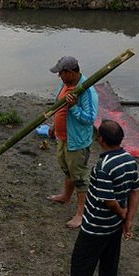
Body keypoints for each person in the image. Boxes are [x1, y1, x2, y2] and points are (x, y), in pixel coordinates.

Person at [46, 119, 139, 276]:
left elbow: (109, 201)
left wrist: (123, 214)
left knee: (81, 261)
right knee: (109, 258)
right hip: (114, 225)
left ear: (101, 140)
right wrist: (128, 220)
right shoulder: (129, 160)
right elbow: (134, 191)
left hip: (96, 225)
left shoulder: (103, 166)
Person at [45, 56, 99, 229]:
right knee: (67, 170)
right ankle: (66, 197)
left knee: (79, 177)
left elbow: (90, 119)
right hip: (63, 137)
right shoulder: (66, 85)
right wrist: (54, 125)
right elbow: (59, 106)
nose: (59, 76)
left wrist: (74, 107)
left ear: (69, 72)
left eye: (60, 73)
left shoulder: (86, 91)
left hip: (77, 141)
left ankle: (81, 214)